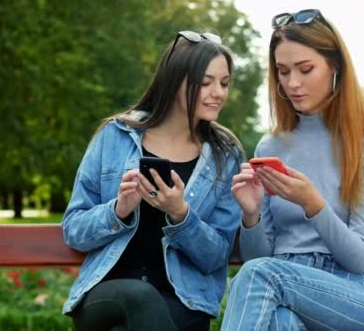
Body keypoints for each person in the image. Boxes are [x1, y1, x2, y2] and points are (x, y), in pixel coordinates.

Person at [221, 9, 364, 331]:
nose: (292, 83)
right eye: (283, 72)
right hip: (279, 282)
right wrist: (251, 216)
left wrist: (312, 203)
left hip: (348, 294)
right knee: (280, 322)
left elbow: (358, 258)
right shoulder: (270, 147)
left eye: (305, 69)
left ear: (334, 66)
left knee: (261, 276)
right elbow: (257, 257)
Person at [61, 30, 244, 331]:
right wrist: (118, 210)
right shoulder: (116, 136)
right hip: (109, 294)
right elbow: (74, 229)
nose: (219, 93)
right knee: (141, 298)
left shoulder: (226, 155)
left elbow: (216, 256)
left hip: (183, 302)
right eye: (206, 82)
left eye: (224, 83)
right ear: (175, 81)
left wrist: (181, 215)